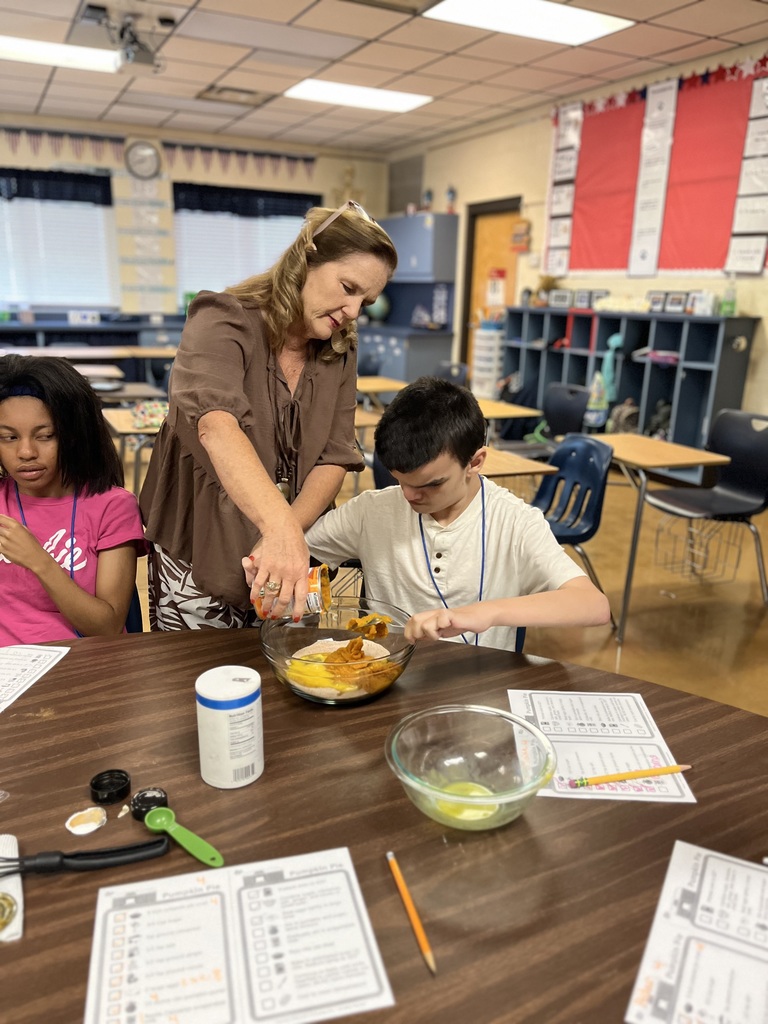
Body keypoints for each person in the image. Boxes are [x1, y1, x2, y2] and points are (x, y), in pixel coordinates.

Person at [140, 200, 397, 629]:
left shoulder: (339, 347)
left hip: (291, 547)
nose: (353, 311)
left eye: (365, 301)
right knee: (198, 665)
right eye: (348, 287)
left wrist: (286, 535)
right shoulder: (222, 319)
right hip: (204, 540)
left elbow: (335, 454)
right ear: (307, 259)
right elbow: (216, 425)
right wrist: (281, 531)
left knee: (289, 663)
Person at [294, 376, 611, 651]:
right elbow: (294, 550)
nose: (409, 495)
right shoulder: (370, 511)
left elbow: (593, 605)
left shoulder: (514, 522)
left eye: (431, 484)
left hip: (480, 683)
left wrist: (485, 613)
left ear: (475, 462)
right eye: (400, 481)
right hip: (388, 678)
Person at [0, 354, 146, 645]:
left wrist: (39, 561)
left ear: (75, 436)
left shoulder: (112, 507)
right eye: (9, 437)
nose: (26, 453)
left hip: (78, 662)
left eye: (46, 436)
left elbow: (107, 627)